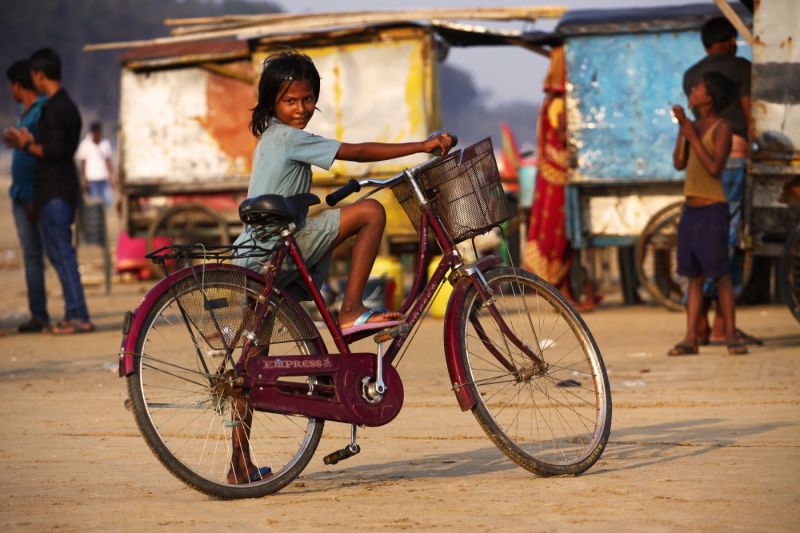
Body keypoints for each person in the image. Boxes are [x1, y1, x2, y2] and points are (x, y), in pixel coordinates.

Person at [227, 50, 452, 483]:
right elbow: (358, 150)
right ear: (272, 103)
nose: (302, 109)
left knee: (250, 367)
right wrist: (421, 146)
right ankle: (350, 311)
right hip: (275, 250)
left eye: (308, 99)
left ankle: (238, 465)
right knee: (369, 213)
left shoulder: (272, 138)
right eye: (291, 101)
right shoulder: (289, 137)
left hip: (255, 257)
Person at [5, 48, 93, 334]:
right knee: (59, 254)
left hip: (56, 191)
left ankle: (78, 315)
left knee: (63, 255)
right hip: (54, 190)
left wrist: (26, 145)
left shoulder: (56, 108)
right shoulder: (63, 105)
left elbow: (56, 151)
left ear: (40, 75)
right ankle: (74, 314)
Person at [683, 16, 759, 347]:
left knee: (703, 255)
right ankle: (719, 325)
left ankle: (705, 325)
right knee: (727, 242)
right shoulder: (742, 67)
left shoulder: (690, 73)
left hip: (703, 171)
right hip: (735, 156)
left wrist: (687, 131)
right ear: (729, 40)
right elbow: (748, 111)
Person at [669, 72, 747, 356]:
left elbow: (715, 167)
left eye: (698, 88)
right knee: (694, 276)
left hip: (713, 206)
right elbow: (679, 163)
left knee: (721, 275)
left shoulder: (722, 127)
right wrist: (684, 130)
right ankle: (690, 337)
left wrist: (692, 134)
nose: (693, 90)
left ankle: (730, 335)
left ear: (709, 97)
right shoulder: (694, 126)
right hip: (691, 209)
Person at [522, 46, 598, 311]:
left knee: (562, 238)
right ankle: (562, 294)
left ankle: (565, 293)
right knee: (559, 238)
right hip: (558, 180)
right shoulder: (560, 105)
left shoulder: (549, 104)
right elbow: (565, 136)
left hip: (552, 179)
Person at [3, 60, 49, 332]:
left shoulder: (41, 113)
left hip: (33, 194)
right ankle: (38, 312)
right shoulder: (24, 112)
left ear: (18, 85)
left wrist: (35, 197)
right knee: (31, 256)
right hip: (20, 193)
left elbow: (40, 156)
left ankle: (41, 315)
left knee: (37, 256)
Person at [76, 121, 114, 208]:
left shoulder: (105, 143)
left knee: (108, 201)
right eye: (95, 132)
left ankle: (106, 219)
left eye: (98, 132)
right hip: (92, 179)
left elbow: (108, 161)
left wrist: (112, 177)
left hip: (104, 178)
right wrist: (84, 179)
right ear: (92, 132)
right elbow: (83, 163)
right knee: (94, 203)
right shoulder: (85, 145)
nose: (97, 134)